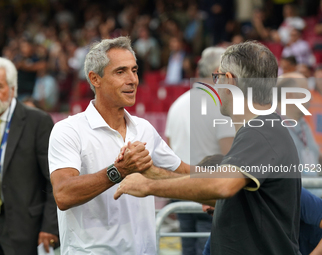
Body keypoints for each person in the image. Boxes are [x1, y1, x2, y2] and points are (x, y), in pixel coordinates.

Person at [115, 41, 302, 254]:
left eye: (218, 78)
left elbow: (221, 186)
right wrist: (155, 174)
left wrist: (148, 186)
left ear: (230, 81)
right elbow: (229, 197)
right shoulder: (263, 130)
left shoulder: (259, 133)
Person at [48, 37, 189, 255]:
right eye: (121, 71)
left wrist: (224, 183)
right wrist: (119, 171)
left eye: (134, 70)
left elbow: (183, 173)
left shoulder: (144, 128)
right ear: (95, 78)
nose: (133, 79)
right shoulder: (68, 130)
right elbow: (64, 195)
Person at [165, 46, 235, 255]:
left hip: (181, 188)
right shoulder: (219, 105)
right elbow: (230, 154)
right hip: (208, 192)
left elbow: (168, 150)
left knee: (188, 248)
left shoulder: (177, 104)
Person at [0, 57, 58, 254]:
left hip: (25, 229)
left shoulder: (37, 122)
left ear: (13, 89)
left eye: (0, 86)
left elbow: (54, 179)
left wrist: (50, 226)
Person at [202, 186, 322, 255]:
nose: (203, 207)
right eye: (200, 198)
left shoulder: (287, 192)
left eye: (207, 195)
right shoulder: (224, 224)